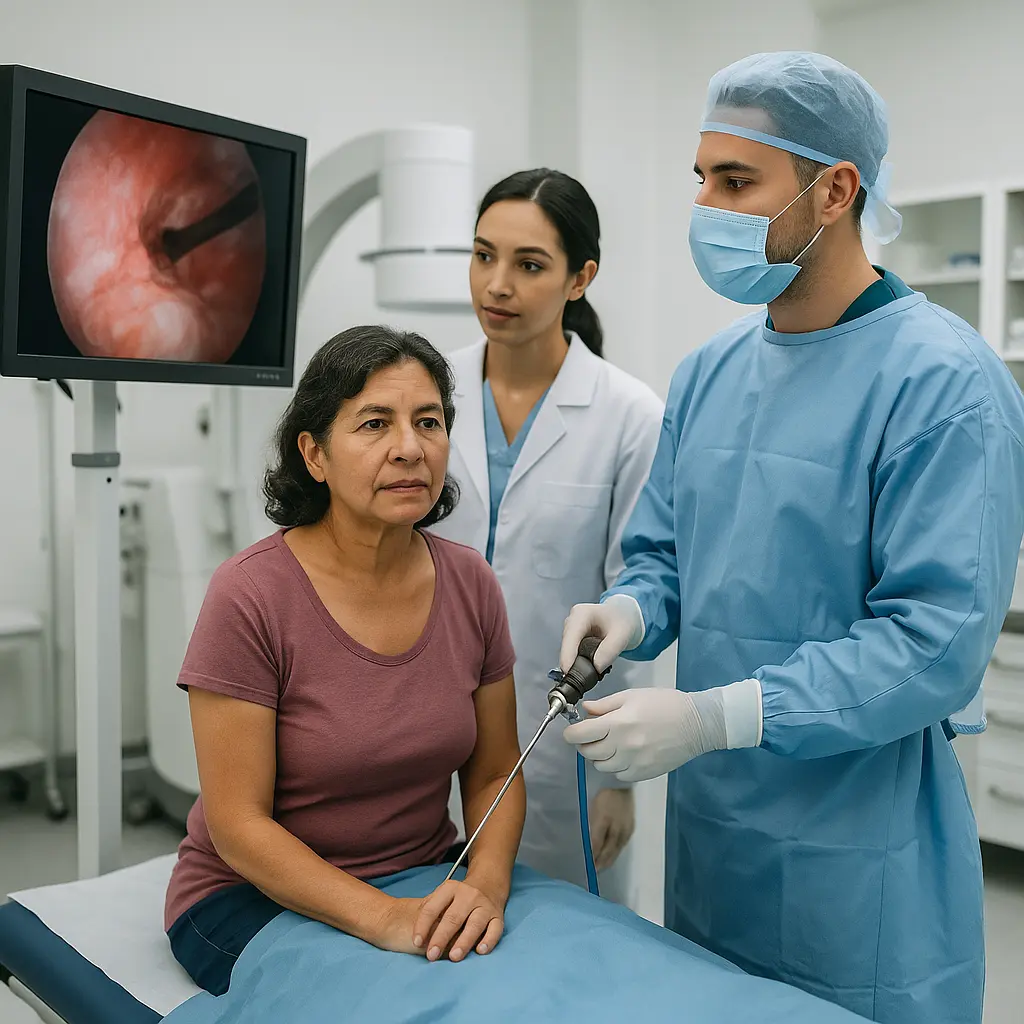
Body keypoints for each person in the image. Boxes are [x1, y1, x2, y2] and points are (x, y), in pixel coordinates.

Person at [559, 51, 1024, 1024]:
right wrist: (629, 611)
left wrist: (708, 716)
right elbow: (667, 555)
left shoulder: (943, 384)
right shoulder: (708, 373)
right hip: (715, 837)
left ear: (834, 190)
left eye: (736, 181)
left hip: (858, 858)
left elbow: (930, 646)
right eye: (700, 176)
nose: (705, 205)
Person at [163, 325, 525, 996]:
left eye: (429, 421)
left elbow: (496, 769)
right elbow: (238, 826)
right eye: (374, 424)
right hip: (248, 896)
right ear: (315, 454)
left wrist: (486, 884)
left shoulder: (472, 584)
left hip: (424, 872)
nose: (410, 448)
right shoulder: (250, 595)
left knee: (540, 986)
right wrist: (386, 920)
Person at [427, 168, 663, 901]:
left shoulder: (629, 416)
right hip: (427, 725)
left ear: (578, 278)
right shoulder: (425, 393)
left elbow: (639, 591)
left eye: (529, 265)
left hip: (563, 746)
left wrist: (617, 777)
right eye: (483, 255)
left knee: (561, 950)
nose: (497, 285)